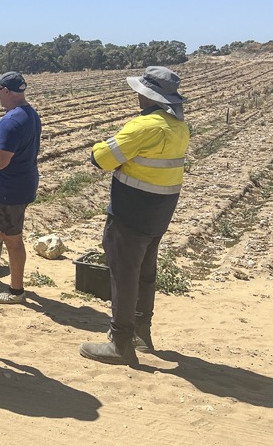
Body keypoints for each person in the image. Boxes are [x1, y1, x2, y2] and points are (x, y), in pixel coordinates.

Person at [80, 66, 190, 365]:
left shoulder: (144, 126)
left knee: (124, 274)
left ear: (148, 95)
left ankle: (121, 342)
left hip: (131, 211)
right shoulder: (177, 126)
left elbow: (101, 159)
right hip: (160, 211)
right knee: (145, 272)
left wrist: (103, 145)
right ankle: (142, 332)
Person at [0, 72, 41, 305]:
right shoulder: (29, 114)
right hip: (23, 181)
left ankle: (16, 290)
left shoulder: (12, 121)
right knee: (4, 221)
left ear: (6, 91)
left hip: (11, 186)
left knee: (13, 238)